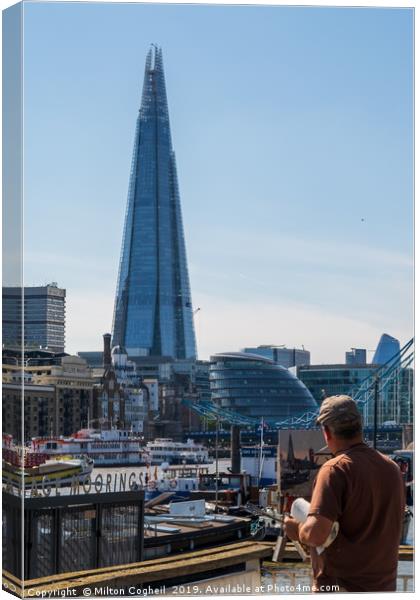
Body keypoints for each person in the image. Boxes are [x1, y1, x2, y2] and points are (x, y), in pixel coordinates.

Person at [284, 395, 405, 593]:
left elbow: (316, 535)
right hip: (384, 589)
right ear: (360, 426)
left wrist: (295, 529)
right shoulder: (392, 469)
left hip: (341, 589)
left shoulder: (334, 470)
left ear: (326, 432)